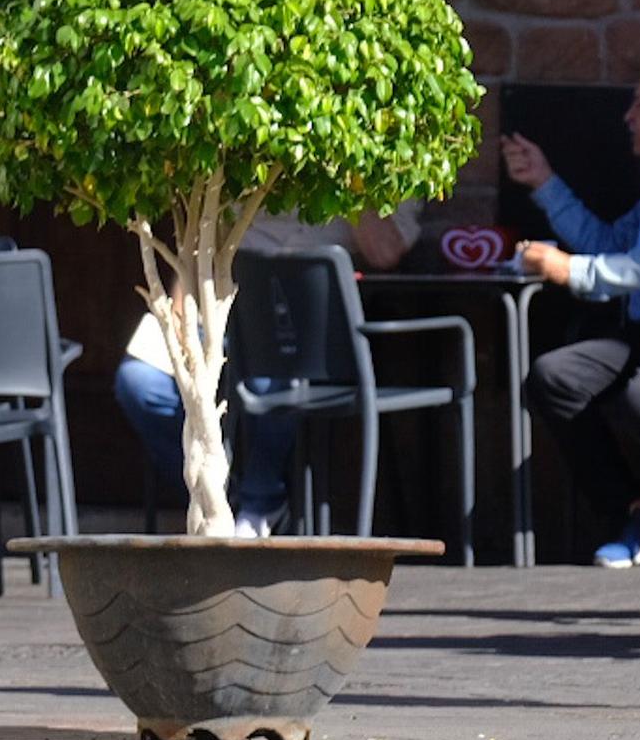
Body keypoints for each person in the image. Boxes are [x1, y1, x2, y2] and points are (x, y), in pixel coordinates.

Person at [503, 54, 640, 569]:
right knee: (552, 377)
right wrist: (544, 183)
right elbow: (609, 244)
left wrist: (572, 272)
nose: (627, 116)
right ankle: (634, 508)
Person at [113, 201, 421, 537]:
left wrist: (353, 181)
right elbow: (200, 238)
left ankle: (261, 503)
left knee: (270, 370)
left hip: (306, 324)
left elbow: (385, 253)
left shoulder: (378, 165)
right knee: (138, 380)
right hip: (220, 305)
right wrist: (180, 314)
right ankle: (219, 500)